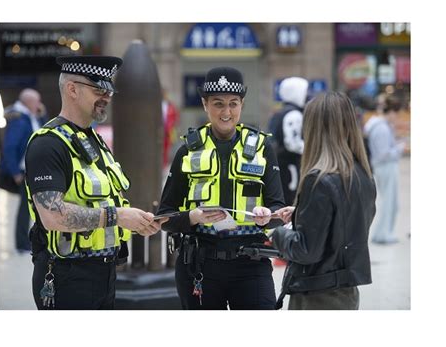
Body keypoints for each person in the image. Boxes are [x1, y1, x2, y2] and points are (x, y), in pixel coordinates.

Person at [25, 55, 164, 310]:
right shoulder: (48, 144)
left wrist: (136, 222)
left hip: (105, 273)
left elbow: (104, 202)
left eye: (109, 90)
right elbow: (52, 217)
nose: (107, 97)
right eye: (99, 89)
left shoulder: (94, 142)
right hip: (67, 276)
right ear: (72, 89)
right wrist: (118, 217)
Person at [157, 66, 285, 309]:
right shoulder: (188, 150)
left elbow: (278, 208)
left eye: (233, 104)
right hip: (199, 265)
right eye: (218, 104)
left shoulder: (262, 148)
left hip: (251, 264)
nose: (226, 112)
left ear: (242, 104)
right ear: (205, 104)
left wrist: (267, 217)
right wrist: (193, 217)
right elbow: (166, 216)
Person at [271, 91, 376, 310]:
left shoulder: (318, 180)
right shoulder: (362, 174)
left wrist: (277, 233)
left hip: (316, 295)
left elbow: (305, 250)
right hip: (347, 291)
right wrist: (302, 213)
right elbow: (346, 225)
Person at [0, 88, 47, 253]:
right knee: (25, 210)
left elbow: (43, 132)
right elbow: (10, 147)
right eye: (37, 101)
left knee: (32, 208)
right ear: (29, 102)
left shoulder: (30, 116)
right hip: (22, 171)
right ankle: (22, 244)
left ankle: (29, 242)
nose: (39, 104)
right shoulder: (19, 119)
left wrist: (41, 114)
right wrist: (15, 172)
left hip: (32, 169)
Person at [363, 94, 405, 244]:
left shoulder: (379, 125)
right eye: (397, 113)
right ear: (392, 111)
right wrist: (399, 149)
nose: (397, 117)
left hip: (384, 167)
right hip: (385, 167)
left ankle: (383, 232)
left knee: (389, 201)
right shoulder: (381, 128)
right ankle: (383, 234)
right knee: (389, 202)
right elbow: (382, 154)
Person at [268, 77, 309, 205]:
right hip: (289, 166)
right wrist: (312, 149)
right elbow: (292, 144)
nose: (307, 95)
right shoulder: (294, 114)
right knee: (290, 196)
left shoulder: (280, 113)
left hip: (279, 164)